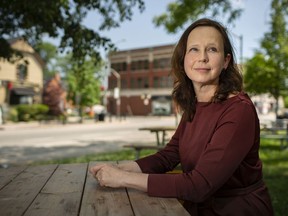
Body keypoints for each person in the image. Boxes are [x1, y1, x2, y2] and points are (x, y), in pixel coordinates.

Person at [89, 18, 274, 216]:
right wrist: (120, 168)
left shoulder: (239, 110)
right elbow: (169, 155)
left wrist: (122, 179)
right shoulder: (194, 105)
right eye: (194, 49)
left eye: (212, 49)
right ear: (183, 59)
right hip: (198, 208)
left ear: (226, 61)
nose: (202, 57)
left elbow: (199, 185)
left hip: (236, 210)